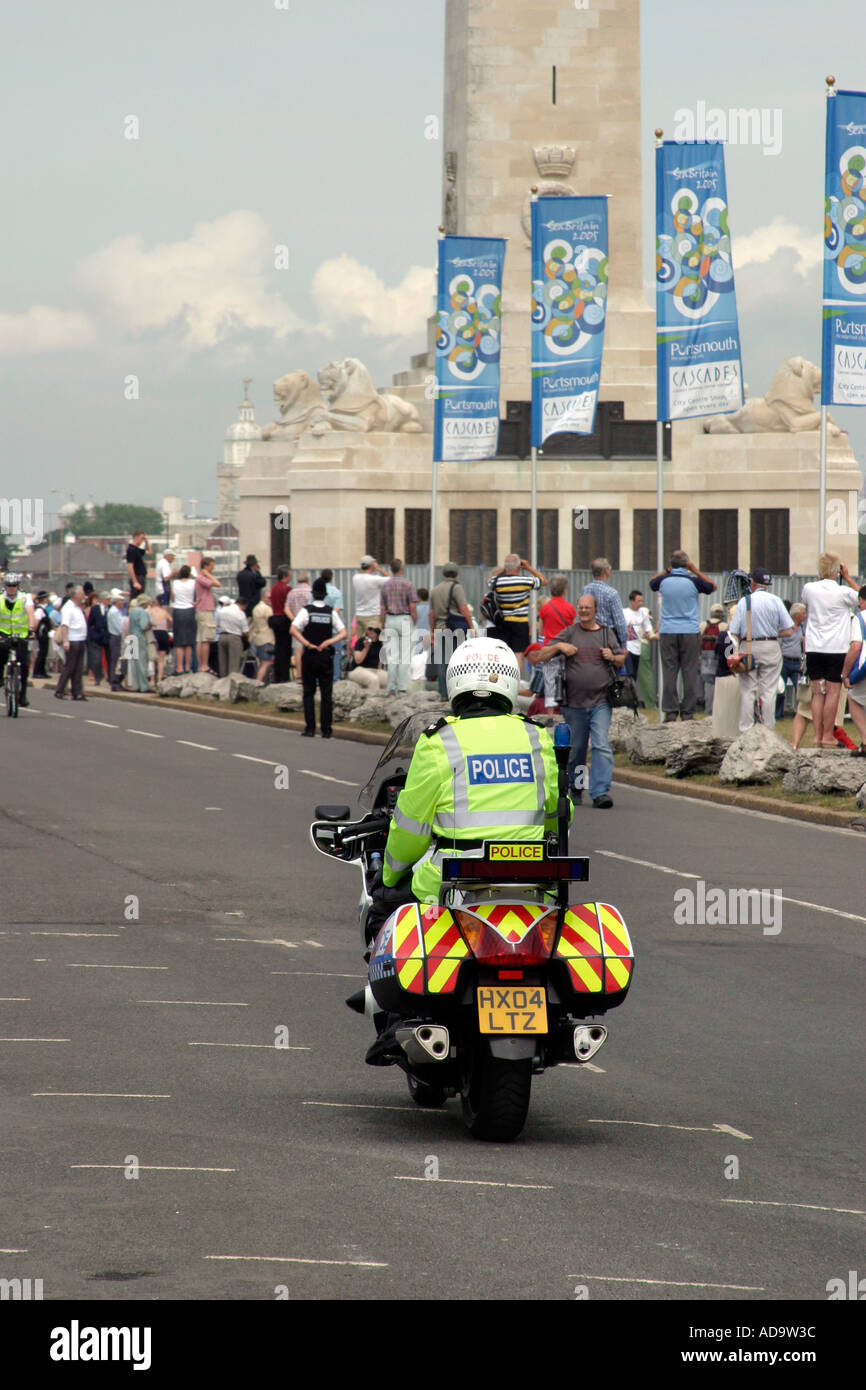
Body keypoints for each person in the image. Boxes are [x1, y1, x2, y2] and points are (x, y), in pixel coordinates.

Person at [378, 637, 567, 916]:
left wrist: (389, 877)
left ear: (455, 682)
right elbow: (558, 814)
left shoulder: (438, 740)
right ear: (511, 683)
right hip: (530, 885)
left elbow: (411, 830)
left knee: (381, 909)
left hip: (451, 887)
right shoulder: (535, 736)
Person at [535, 593, 626, 808]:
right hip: (573, 703)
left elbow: (622, 658)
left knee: (601, 745)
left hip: (601, 700)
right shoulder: (570, 633)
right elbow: (540, 656)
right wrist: (559, 647)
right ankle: (576, 787)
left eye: (588, 608)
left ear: (595, 610)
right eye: (581, 607)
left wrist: (612, 657)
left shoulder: (606, 634)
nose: (584, 611)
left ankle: (600, 792)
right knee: (576, 749)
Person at [802, 552, 861, 749]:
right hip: (835, 648)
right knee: (833, 692)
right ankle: (828, 734)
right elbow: (863, 599)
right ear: (837, 571)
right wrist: (847, 578)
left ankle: (817, 736)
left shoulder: (809, 589)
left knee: (817, 692)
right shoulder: (843, 593)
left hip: (813, 648)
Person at [649, 549, 716, 722]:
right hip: (689, 632)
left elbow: (652, 582)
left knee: (670, 672)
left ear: (671, 565)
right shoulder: (694, 582)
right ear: (687, 564)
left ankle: (670, 713)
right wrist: (694, 570)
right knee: (689, 672)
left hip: (668, 632)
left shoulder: (664, 581)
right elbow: (712, 586)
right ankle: (688, 713)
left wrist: (667, 570)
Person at [726, 569, 793, 732]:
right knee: (769, 690)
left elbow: (733, 632)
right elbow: (788, 631)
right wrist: (771, 633)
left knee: (748, 690)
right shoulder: (776, 601)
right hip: (771, 646)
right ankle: (768, 728)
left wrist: (733, 652)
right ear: (768, 584)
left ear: (752, 583)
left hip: (749, 646)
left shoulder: (745, 602)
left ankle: (746, 729)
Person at [290, 576, 346, 738]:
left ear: (313, 593)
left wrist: (307, 644)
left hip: (310, 655)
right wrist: (329, 641)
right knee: (326, 693)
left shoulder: (306, 610)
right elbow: (343, 633)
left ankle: (310, 729)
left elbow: (293, 630)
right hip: (325, 656)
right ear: (325, 594)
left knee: (308, 692)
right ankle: (326, 730)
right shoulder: (330, 612)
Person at [487, 554, 547, 673]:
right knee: (518, 654)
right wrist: (528, 567)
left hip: (502, 623)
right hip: (520, 623)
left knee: (502, 654)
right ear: (519, 567)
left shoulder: (497, 582)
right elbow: (543, 581)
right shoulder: (525, 581)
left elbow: (489, 580)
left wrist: (505, 569)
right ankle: (516, 683)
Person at [430, 561, 474, 699]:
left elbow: (431, 613)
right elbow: (463, 608)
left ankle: (443, 693)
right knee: (456, 662)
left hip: (439, 628)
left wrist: (431, 631)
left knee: (442, 663)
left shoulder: (435, 590)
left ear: (443, 574)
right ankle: (455, 693)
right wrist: (472, 627)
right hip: (455, 630)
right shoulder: (457, 588)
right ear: (457, 573)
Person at [379, 558, 417, 696]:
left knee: (392, 656)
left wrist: (383, 624)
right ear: (402, 569)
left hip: (390, 618)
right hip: (405, 618)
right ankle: (402, 688)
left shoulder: (385, 585)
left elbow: (382, 608)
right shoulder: (408, 584)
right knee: (405, 656)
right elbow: (412, 606)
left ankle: (391, 688)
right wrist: (414, 622)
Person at [0, 572, 33, 707]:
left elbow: (30, 612)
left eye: (14, 585)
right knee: (1, 654)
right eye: (9, 585)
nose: (11, 588)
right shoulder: (0, 598)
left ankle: (22, 695)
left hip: (21, 635)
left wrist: (31, 628)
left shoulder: (25, 598)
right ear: (5, 586)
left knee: (24, 665)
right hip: (3, 633)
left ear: (18, 586)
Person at [841, 585, 866, 755]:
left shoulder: (860, 618)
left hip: (863, 669)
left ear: (862, 601)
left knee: (855, 700)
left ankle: (865, 741)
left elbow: (856, 647)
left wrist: (845, 673)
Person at [580, 558, 628, 647]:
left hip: (586, 637)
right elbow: (619, 623)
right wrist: (623, 643)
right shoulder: (612, 593)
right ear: (606, 571)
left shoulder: (584, 590)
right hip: (606, 640)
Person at [54, 586, 89, 700]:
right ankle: (60, 690)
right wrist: (66, 641)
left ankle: (77, 692)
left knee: (78, 667)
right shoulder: (68, 607)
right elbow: (65, 625)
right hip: (73, 639)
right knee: (69, 666)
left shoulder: (78, 607)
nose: (83, 596)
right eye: (82, 594)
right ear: (76, 595)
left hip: (80, 638)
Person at [776, 602, 806, 721]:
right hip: (784, 661)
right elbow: (779, 643)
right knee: (781, 689)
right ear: (796, 615)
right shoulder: (785, 627)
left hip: (797, 662)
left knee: (800, 689)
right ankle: (778, 715)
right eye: (803, 613)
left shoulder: (801, 628)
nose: (805, 615)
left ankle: (801, 715)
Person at [622, 589, 655, 683]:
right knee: (630, 673)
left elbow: (648, 628)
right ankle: (627, 695)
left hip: (637, 648)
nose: (641, 603)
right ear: (632, 601)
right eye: (638, 601)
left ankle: (631, 694)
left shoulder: (643, 613)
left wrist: (649, 634)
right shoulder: (624, 612)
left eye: (642, 601)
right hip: (627, 648)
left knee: (634, 675)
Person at [352, 555, 388, 641]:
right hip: (373, 616)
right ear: (372, 565)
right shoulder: (374, 579)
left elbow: (361, 573)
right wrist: (378, 569)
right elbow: (391, 579)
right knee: (375, 643)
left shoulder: (355, 578)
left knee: (361, 643)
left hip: (360, 615)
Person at [194, 556, 220, 675]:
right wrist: (207, 574)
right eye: (211, 566)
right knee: (206, 639)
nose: (213, 568)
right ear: (206, 566)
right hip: (205, 610)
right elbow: (217, 583)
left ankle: (201, 665)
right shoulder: (201, 578)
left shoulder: (199, 578)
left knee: (201, 639)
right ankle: (204, 665)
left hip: (202, 609)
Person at [269, 565, 293, 683]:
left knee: (278, 647)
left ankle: (277, 675)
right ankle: (284, 676)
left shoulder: (274, 588)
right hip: (284, 619)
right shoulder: (287, 589)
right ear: (285, 576)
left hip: (275, 618)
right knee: (285, 649)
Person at [170, 565, 196, 674]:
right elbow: (196, 596)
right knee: (189, 642)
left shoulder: (175, 583)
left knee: (179, 642)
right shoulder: (193, 583)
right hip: (190, 610)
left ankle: (179, 667)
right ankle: (187, 667)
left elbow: (172, 597)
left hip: (178, 610)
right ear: (189, 573)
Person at [348, 623, 387, 692]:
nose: (372, 631)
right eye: (370, 629)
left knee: (390, 679)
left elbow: (379, 666)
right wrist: (366, 648)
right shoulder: (361, 641)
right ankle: (373, 701)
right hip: (358, 669)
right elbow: (358, 661)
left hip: (373, 670)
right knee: (374, 679)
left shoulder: (381, 644)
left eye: (375, 629)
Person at [538, 576, 576, 646]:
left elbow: (540, 631)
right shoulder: (570, 608)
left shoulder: (544, 608)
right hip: (565, 645)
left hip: (549, 645)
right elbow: (573, 630)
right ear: (565, 590)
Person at [217, 594, 249, 676]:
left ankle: (223, 680)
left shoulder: (222, 610)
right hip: (234, 638)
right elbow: (245, 632)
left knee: (223, 662)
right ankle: (232, 682)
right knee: (234, 663)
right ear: (243, 605)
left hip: (222, 637)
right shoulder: (240, 613)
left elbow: (218, 624)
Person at [249, 593, 275, 682]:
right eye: (269, 598)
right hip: (267, 639)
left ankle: (259, 681)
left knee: (261, 663)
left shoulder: (256, 608)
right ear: (263, 597)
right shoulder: (267, 609)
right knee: (266, 663)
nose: (270, 599)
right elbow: (271, 622)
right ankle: (259, 682)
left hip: (258, 638)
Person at [150, 593, 173, 683]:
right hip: (163, 633)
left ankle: (152, 680)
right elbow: (171, 620)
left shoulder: (149, 611)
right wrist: (167, 626)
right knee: (161, 659)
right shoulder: (164, 612)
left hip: (153, 633)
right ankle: (159, 679)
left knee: (152, 658)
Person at [107, 591, 127, 690]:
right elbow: (120, 627)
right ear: (117, 602)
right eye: (121, 601)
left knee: (118, 660)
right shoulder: (114, 612)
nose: (123, 603)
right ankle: (114, 681)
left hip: (118, 637)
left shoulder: (117, 612)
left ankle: (116, 680)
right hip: (116, 637)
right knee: (116, 660)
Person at [126, 530, 150, 597]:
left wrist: (146, 541)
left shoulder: (137, 549)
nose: (142, 540)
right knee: (135, 597)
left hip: (141, 576)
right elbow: (130, 567)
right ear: (136, 537)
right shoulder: (131, 550)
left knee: (140, 597)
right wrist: (135, 582)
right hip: (137, 576)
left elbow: (149, 551)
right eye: (141, 538)